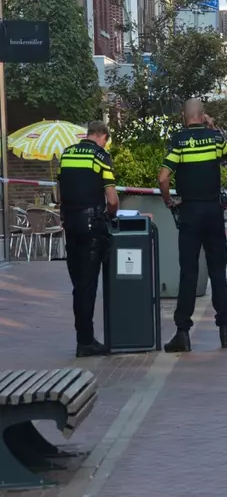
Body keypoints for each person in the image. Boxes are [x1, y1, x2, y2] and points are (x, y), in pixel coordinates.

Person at [158, 98, 227, 352]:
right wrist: (214, 129)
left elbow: (163, 177)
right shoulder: (214, 139)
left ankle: (182, 333)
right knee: (218, 272)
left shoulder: (178, 142)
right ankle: (225, 332)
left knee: (188, 272)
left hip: (189, 212)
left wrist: (169, 200)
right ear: (202, 116)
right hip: (213, 211)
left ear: (184, 116)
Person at [57, 121, 119, 357]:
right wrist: (110, 215)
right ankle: (86, 342)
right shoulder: (100, 156)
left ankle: (82, 336)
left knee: (78, 285)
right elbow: (112, 199)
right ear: (102, 135)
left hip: (71, 225)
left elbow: (60, 192)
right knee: (88, 286)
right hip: (93, 226)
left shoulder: (67, 153)